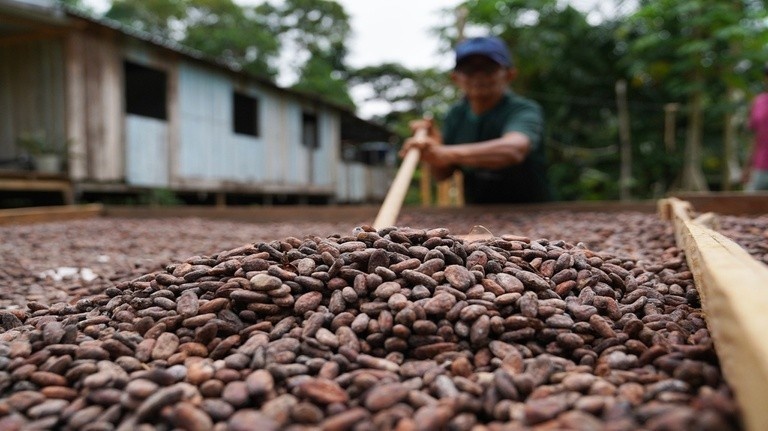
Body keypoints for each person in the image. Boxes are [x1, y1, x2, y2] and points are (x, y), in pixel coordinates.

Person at [400, 35, 552, 204]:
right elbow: (443, 174)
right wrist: (434, 149)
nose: (479, 76)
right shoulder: (455, 115)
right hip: (475, 215)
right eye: (469, 69)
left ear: (509, 74)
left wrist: (445, 152)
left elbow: (513, 150)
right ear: (455, 78)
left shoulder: (523, 109)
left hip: (532, 210)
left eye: (488, 68)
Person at [743, 63, 768, 192]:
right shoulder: (758, 102)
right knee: (748, 205)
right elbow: (754, 137)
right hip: (760, 166)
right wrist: (747, 167)